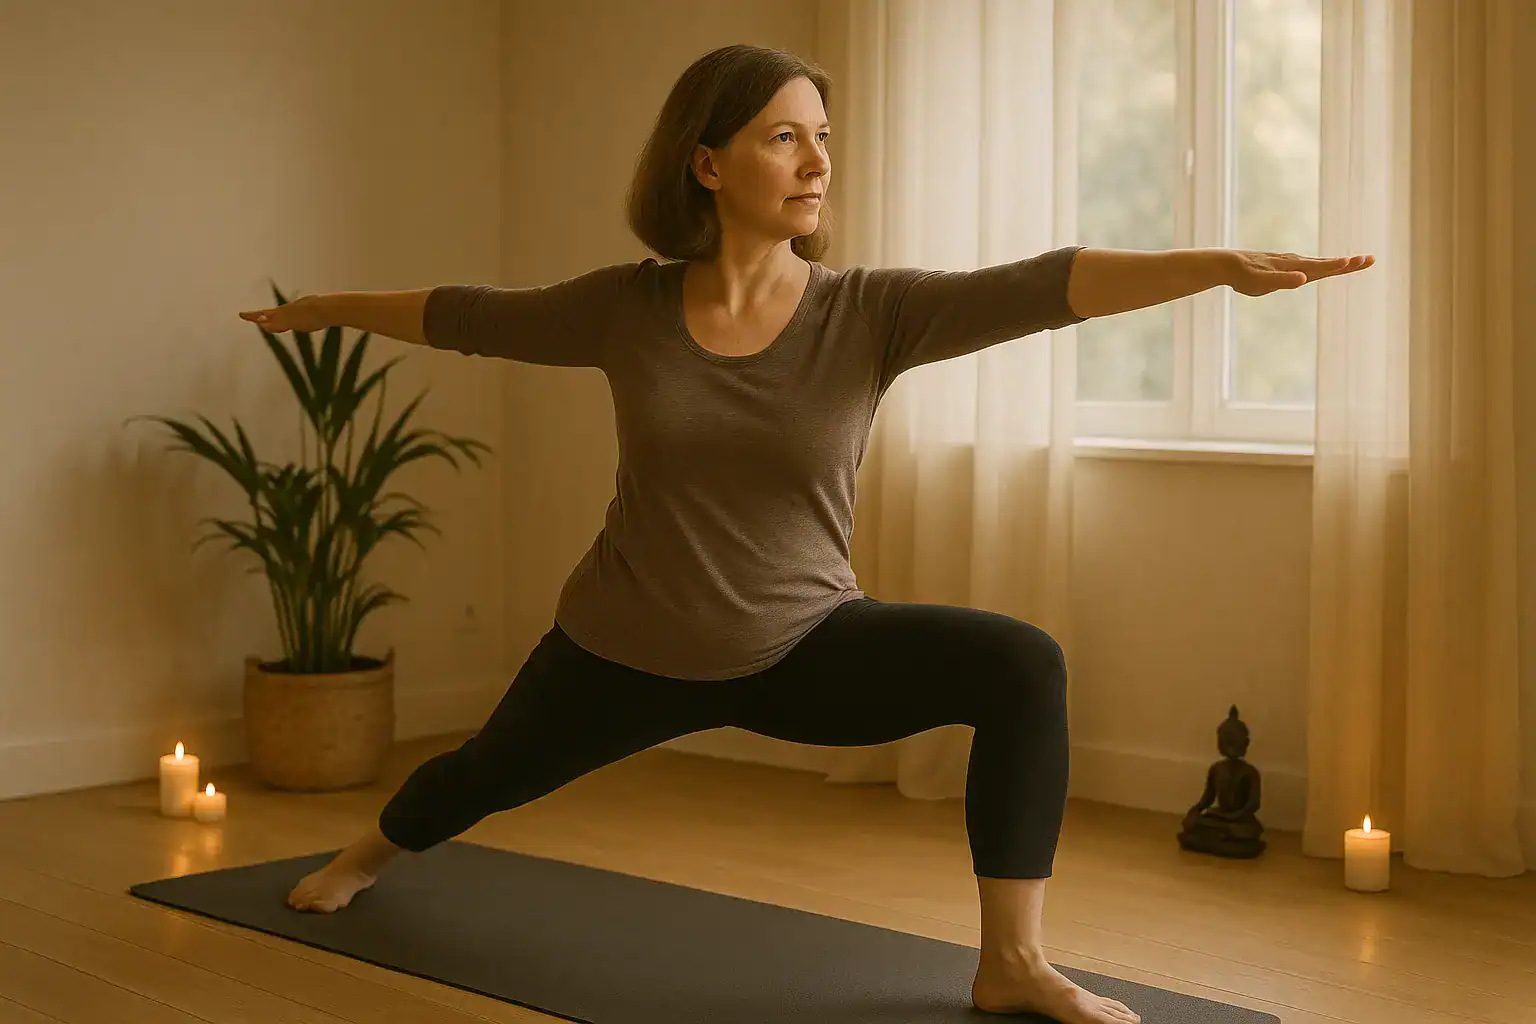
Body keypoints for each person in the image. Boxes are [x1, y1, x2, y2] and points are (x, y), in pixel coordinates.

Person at [239, 43, 1371, 1024]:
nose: (820, 161)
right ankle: (366, 854)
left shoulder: (868, 311)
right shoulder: (624, 307)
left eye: (823, 136)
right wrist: (329, 309)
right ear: (708, 161)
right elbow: (464, 315)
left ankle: (1013, 961)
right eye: (786, 137)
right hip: (621, 647)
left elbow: (1046, 284)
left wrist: (1217, 269)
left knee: (1020, 664)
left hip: (798, 645)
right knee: (480, 774)